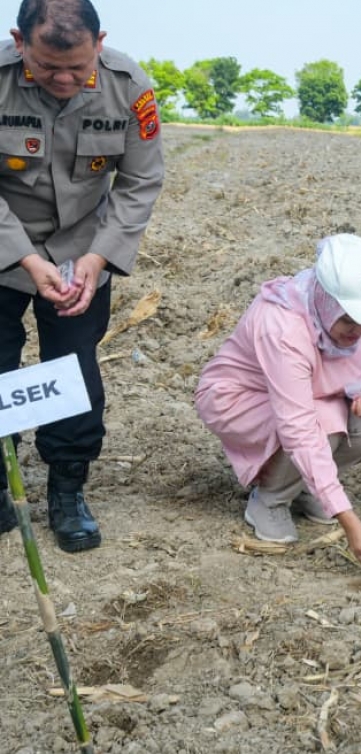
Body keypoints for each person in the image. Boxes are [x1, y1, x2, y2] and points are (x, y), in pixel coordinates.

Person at [0, 0, 164, 551]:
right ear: (19, 43)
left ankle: (67, 490)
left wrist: (99, 258)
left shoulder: (129, 88)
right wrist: (25, 258)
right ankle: (0, 484)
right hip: (3, 244)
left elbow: (140, 182)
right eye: (48, 67)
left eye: (78, 67)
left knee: (72, 370)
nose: (65, 80)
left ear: (100, 43)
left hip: (82, 253)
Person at [195, 235, 361, 567]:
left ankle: (308, 487)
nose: (359, 329)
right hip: (238, 399)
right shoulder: (283, 327)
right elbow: (299, 427)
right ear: (326, 300)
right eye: (349, 320)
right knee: (321, 424)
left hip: (314, 395)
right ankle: (270, 500)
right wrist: (347, 517)